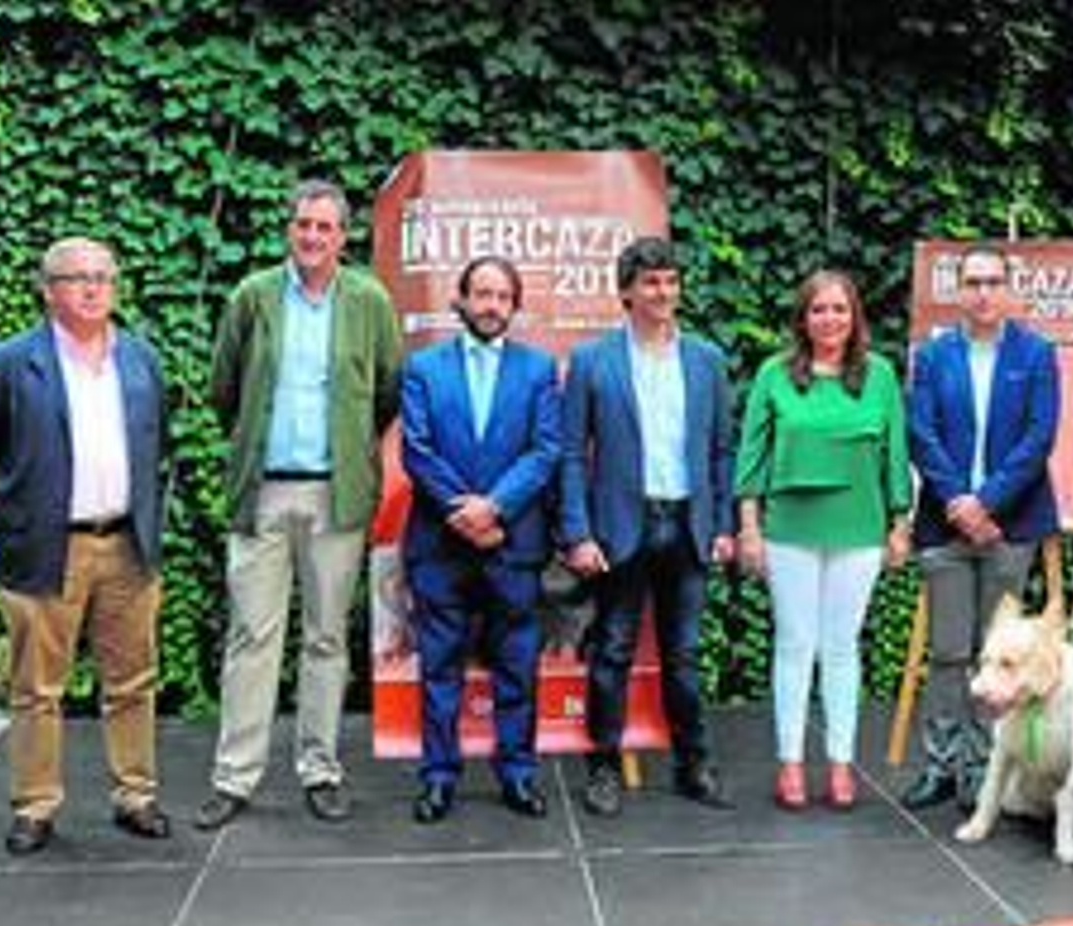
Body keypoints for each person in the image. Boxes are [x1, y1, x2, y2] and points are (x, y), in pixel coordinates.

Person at [194, 180, 402, 830]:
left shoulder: (368, 300)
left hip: (335, 492)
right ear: (289, 229)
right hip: (264, 489)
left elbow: (387, 390)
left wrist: (348, 445)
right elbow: (224, 387)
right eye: (303, 224)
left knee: (325, 637)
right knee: (252, 634)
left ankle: (320, 769)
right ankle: (235, 777)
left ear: (344, 236)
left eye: (325, 227)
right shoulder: (253, 297)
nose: (312, 237)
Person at [0, 237, 169, 854]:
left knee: (133, 681)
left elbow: (158, 441)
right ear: (47, 289)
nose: (92, 288)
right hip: (46, 546)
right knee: (37, 688)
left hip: (127, 544)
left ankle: (135, 795)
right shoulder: (9, 362)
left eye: (103, 276)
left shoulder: (139, 358)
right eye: (77, 277)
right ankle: (35, 805)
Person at [559, 236, 736, 817]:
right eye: (651, 283)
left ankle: (694, 765)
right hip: (620, 528)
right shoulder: (592, 361)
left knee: (683, 655)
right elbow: (569, 454)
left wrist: (724, 522)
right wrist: (578, 533)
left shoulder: (707, 360)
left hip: (688, 524)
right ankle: (603, 768)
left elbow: (720, 452)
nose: (664, 293)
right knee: (611, 650)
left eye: (671, 281)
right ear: (626, 292)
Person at [735, 269, 913, 811]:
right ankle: (790, 762)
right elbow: (752, 457)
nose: (829, 319)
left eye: (839, 309)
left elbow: (895, 454)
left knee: (841, 647)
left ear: (854, 316)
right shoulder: (773, 374)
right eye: (818, 310)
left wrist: (899, 523)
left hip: (859, 529)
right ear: (803, 318)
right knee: (794, 644)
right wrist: (749, 528)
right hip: (789, 528)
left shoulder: (879, 375)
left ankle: (840, 764)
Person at [400, 257, 561, 823]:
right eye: (482, 294)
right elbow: (415, 450)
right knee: (440, 667)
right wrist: (462, 510)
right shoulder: (423, 367)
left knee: (516, 666)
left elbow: (545, 450)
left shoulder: (539, 369)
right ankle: (438, 776)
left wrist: (494, 506)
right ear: (461, 300)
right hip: (440, 544)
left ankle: (517, 772)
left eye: (502, 296)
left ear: (514, 306)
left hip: (510, 542)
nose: (491, 306)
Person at [901, 244, 1061, 811]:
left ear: (1010, 290)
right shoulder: (935, 355)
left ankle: (986, 768)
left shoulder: (1037, 354)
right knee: (948, 652)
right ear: (958, 290)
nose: (984, 292)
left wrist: (988, 503)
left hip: (1009, 528)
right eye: (973, 282)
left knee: (1000, 655)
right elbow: (921, 434)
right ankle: (942, 765)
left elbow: (1038, 439)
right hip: (945, 528)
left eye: (994, 281)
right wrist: (960, 504)